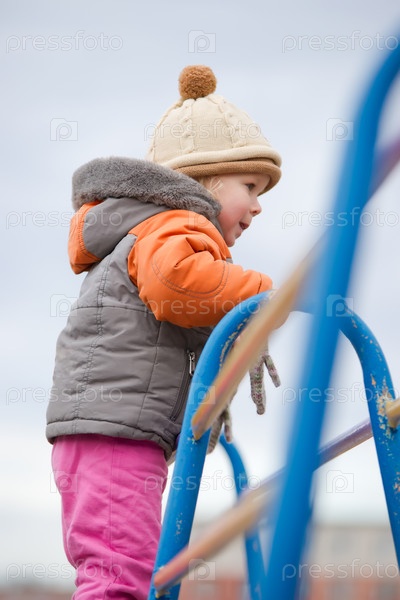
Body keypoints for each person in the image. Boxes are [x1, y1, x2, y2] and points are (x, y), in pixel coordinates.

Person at [47, 65, 282, 599]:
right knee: (119, 576)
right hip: (115, 430)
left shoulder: (157, 229)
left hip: (111, 429)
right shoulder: (175, 223)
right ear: (203, 182)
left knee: (119, 570)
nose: (259, 204)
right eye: (250, 186)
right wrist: (264, 293)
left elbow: (181, 309)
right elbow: (177, 285)